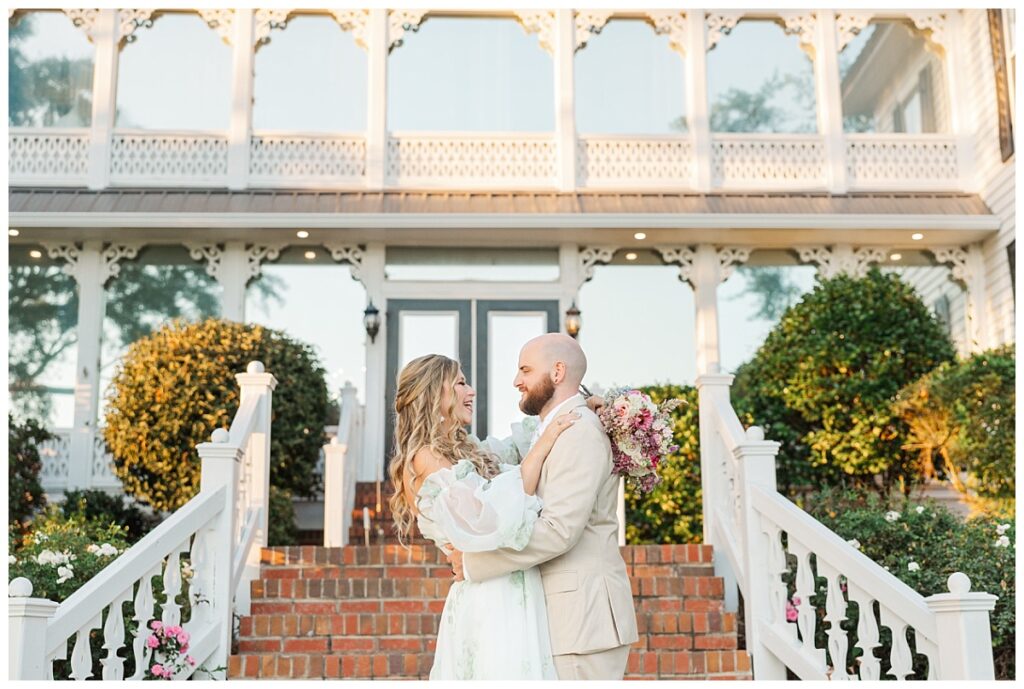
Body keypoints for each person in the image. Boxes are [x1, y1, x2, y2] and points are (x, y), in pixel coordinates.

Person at [447, 333, 639, 680]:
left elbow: (559, 530)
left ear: (557, 371)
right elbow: (496, 459)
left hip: (583, 622)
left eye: (525, 370)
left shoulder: (580, 432)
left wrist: (475, 562)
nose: (516, 381)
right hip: (565, 617)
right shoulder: (551, 428)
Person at [387, 353, 580, 680]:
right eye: (460, 383)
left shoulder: (463, 449)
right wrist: (546, 443)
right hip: (489, 600)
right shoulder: (425, 457)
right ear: (436, 393)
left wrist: (576, 403)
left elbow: (515, 447)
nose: (471, 390)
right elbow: (489, 519)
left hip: (509, 585)